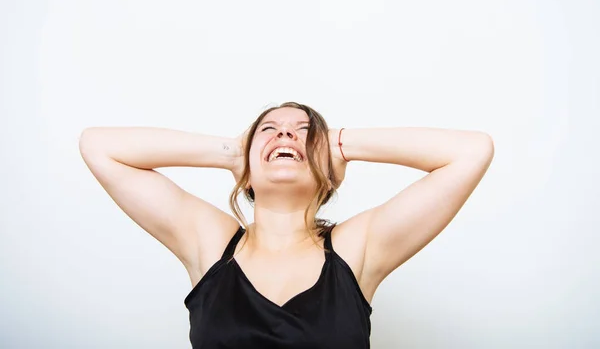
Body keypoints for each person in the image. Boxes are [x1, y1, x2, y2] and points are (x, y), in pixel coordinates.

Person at [78, 101, 494, 348]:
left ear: (327, 167)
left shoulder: (357, 248)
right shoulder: (210, 243)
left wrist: (340, 142)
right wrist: (231, 153)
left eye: (304, 133)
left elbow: (471, 152)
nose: (286, 137)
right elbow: (99, 147)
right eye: (270, 131)